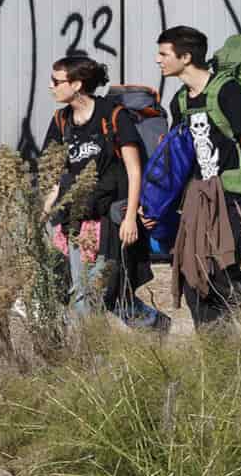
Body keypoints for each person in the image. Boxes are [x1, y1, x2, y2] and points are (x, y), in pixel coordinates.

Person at [151, 25, 241, 326]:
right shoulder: (180, 101)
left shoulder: (228, 91)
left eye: (164, 53)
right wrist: (158, 206)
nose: (158, 60)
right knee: (193, 274)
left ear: (186, 56)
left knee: (220, 269)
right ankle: (218, 353)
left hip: (235, 193)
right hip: (198, 195)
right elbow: (179, 158)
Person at [41, 55, 167, 331]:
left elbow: (135, 170)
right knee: (81, 292)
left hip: (108, 220)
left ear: (76, 84)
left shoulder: (112, 116)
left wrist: (131, 217)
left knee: (100, 291)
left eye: (56, 81)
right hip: (74, 220)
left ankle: (105, 352)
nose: (50, 86)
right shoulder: (61, 121)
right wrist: (44, 209)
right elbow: (54, 173)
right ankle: (149, 327)